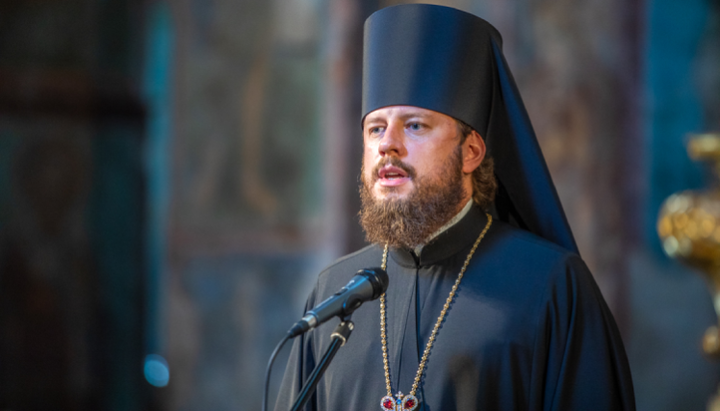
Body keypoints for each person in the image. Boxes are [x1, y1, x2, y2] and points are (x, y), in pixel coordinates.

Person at [274, 4, 635, 411]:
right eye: (375, 128)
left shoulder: (551, 287)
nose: (387, 145)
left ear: (471, 152)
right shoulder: (334, 294)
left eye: (415, 125)